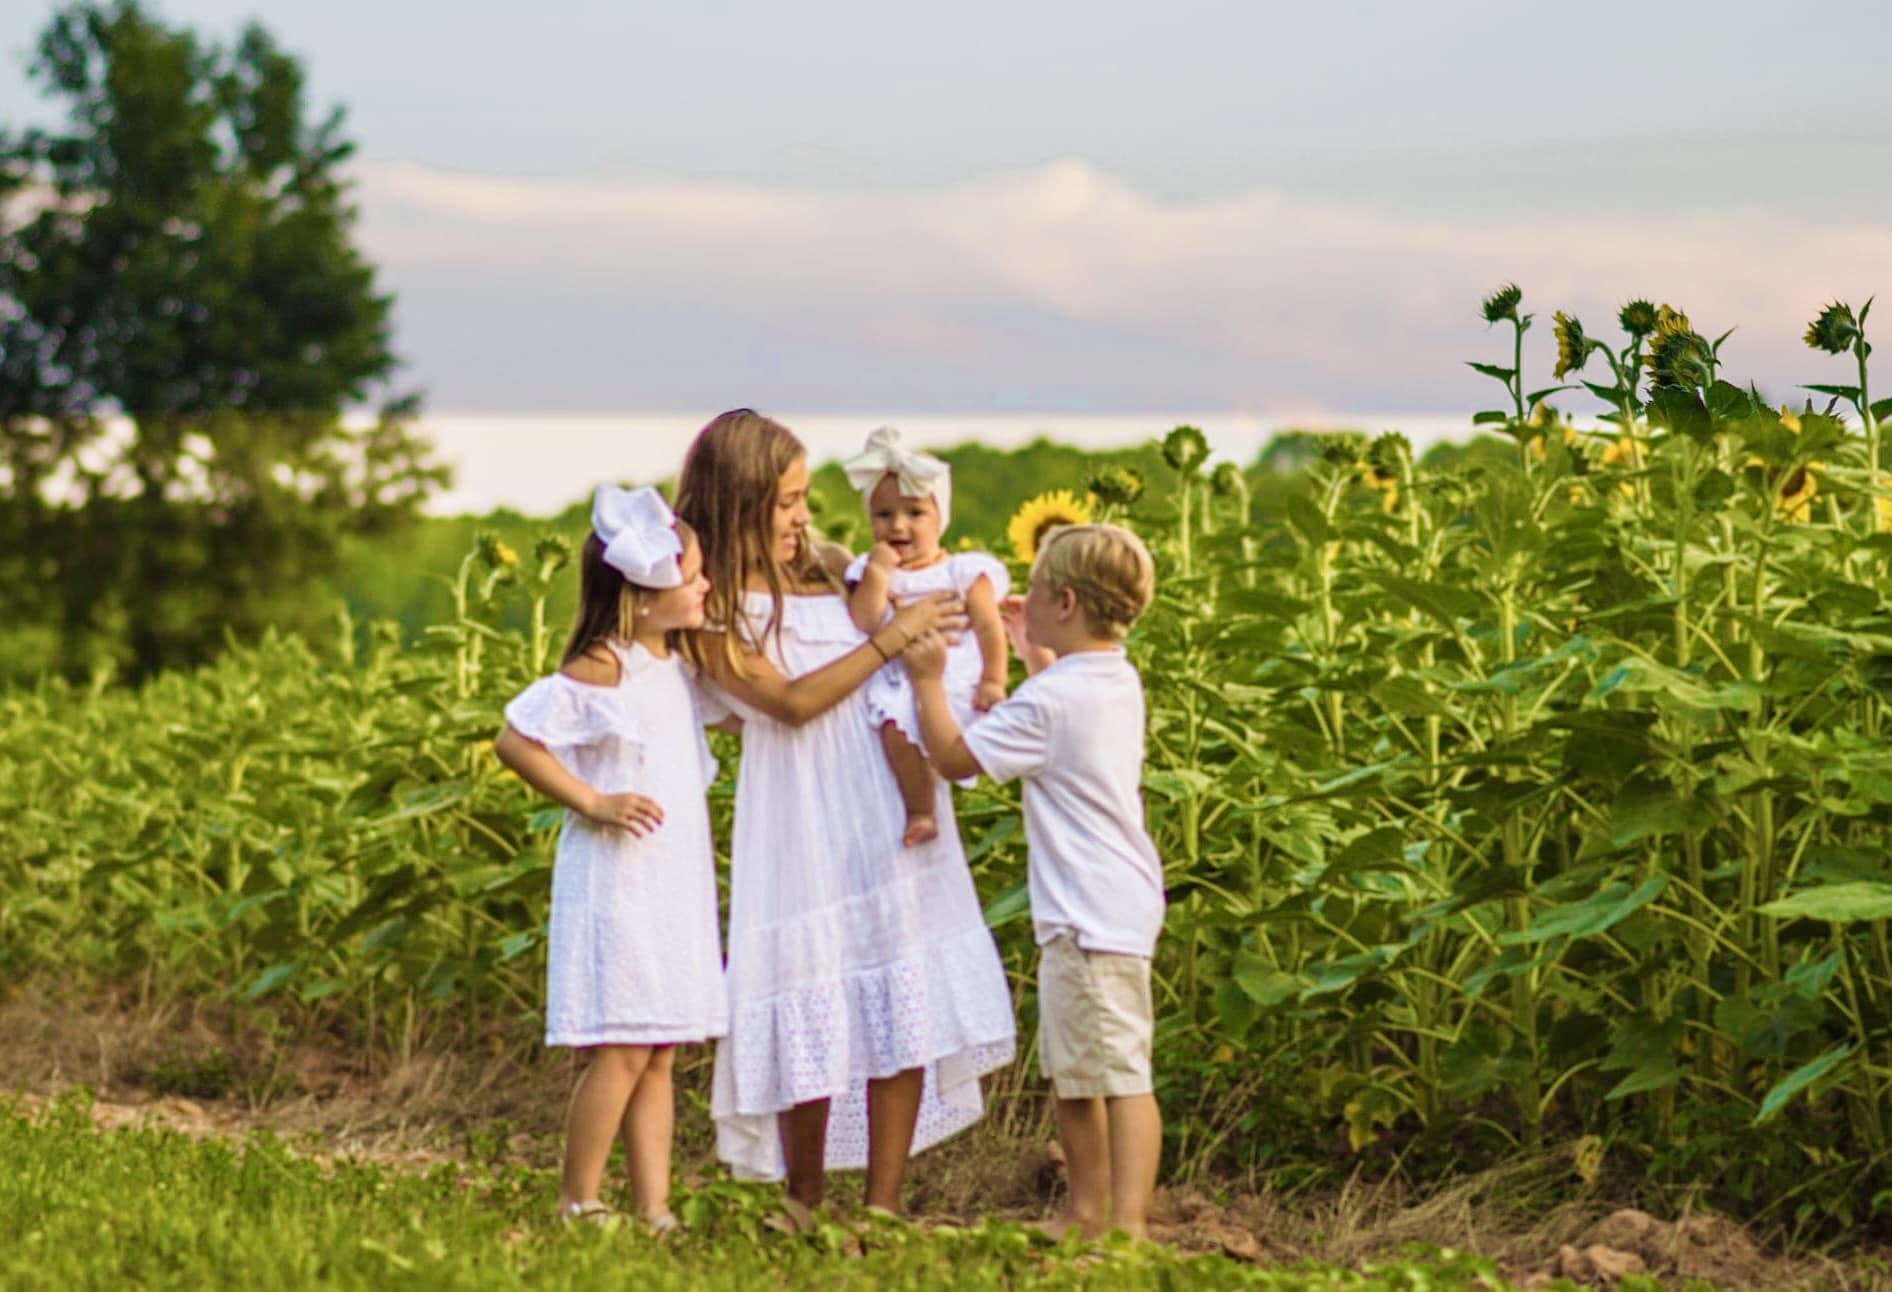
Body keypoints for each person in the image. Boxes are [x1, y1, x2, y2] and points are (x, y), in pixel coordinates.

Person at [675, 409, 1015, 1223]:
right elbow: (789, 704)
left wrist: (979, 636)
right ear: (741, 504)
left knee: (900, 996)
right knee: (811, 995)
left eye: (803, 497)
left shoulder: (833, 569)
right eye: (787, 502)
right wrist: (894, 640)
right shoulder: (715, 608)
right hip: (799, 814)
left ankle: (883, 1206)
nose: (803, 516)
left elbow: (930, 605)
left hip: (888, 796)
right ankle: (804, 1200)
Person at [902, 522, 1165, 1240]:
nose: (1026, 598)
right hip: (1114, 901)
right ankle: (1088, 1214)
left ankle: (1124, 1228)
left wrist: (927, 680)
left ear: (1067, 601)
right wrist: (1031, 651)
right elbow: (1058, 707)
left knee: (1118, 1077)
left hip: (1086, 914)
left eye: (1039, 589)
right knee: (1078, 1074)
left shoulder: (1051, 702)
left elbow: (955, 758)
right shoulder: (1111, 677)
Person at [493, 484, 724, 1229]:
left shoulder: (675, 666)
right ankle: (579, 1198)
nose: (706, 586)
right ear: (642, 597)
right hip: (620, 880)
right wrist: (591, 800)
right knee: (622, 1046)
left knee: (659, 1048)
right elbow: (517, 739)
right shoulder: (604, 666)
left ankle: (654, 1207)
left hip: (671, 878)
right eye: (694, 577)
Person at [842, 427, 1009, 847]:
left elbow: (990, 626)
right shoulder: (872, 571)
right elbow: (865, 621)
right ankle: (920, 810)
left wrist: (994, 679)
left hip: (957, 680)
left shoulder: (962, 571)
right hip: (901, 680)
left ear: (940, 520)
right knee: (894, 728)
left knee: (962, 745)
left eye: (915, 513)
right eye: (883, 515)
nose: (898, 525)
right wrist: (877, 575)